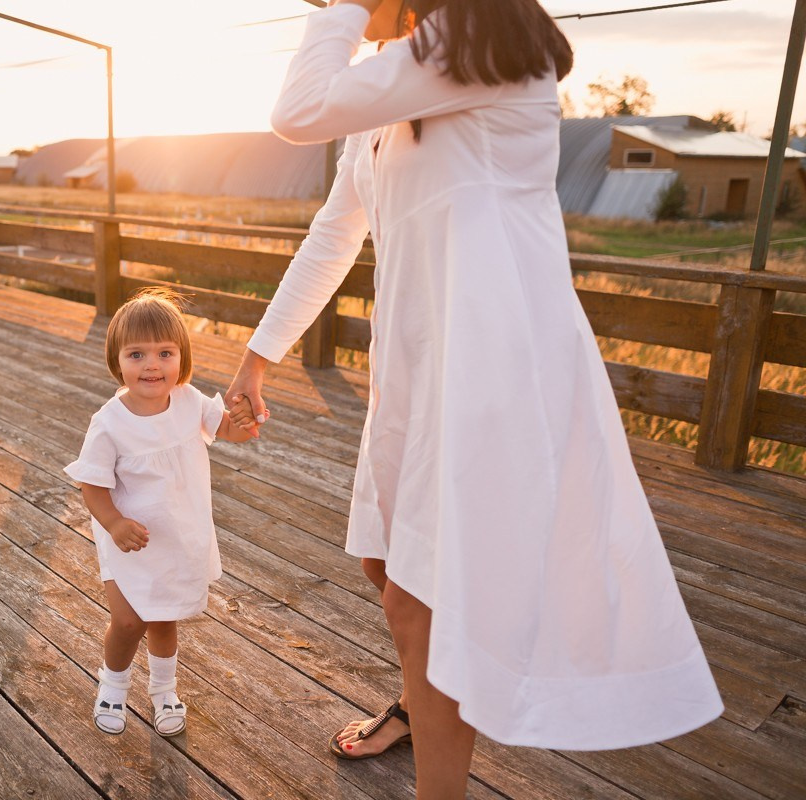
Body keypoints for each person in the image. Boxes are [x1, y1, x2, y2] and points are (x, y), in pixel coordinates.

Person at [224, 1, 722, 796]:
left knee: (420, 601)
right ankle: (424, 702)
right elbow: (335, 231)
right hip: (416, 368)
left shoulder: (475, 44)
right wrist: (258, 357)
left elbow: (297, 111)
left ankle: (438, 759)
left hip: (490, 369)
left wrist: (345, 10)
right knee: (384, 564)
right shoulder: (401, 76)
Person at [66, 288, 256, 737]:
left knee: (163, 618)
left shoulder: (189, 401)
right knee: (129, 620)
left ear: (181, 357)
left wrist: (246, 419)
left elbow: (229, 429)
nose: (152, 365)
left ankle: (164, 689)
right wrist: (114, 522)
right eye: (137, 354)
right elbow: (91, 484)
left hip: (174, 533)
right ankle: (113, 684)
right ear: (118, 360)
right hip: (127, 537)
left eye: (165, 353)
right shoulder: (110, 422)